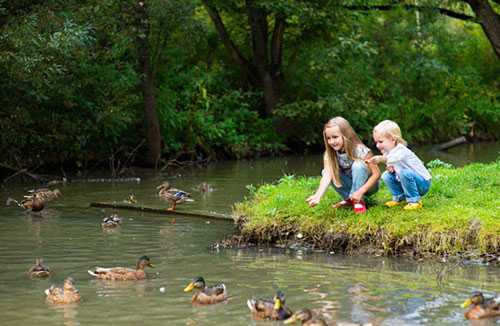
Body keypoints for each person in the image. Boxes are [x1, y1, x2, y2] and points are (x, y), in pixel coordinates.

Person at [306, 117, 380, 214]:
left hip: (368, 186)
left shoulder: (360, 150)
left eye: (335, 137)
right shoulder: (329, 154)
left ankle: (358, 201)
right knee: (326, 171)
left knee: (358, 165)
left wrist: (361, 191)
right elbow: (327, 175)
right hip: (350, 184)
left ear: (346, 135)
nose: (332, 141)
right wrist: (318, 195)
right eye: (329, 138)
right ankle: (350, 199)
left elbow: (377, 174)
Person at [366, 120, 431, 210]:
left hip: (422, 183)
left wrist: (380, 159)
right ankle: (400, 198)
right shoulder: (387, 152)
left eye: (380, 142)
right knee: (386, 175)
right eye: (376, 142)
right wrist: (391, 168)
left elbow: (393, 159)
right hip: (407, 181)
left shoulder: (401, 150)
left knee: (404, 173)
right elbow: (391, 164)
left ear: (393, 139)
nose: (377, 145)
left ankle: (415, 201)